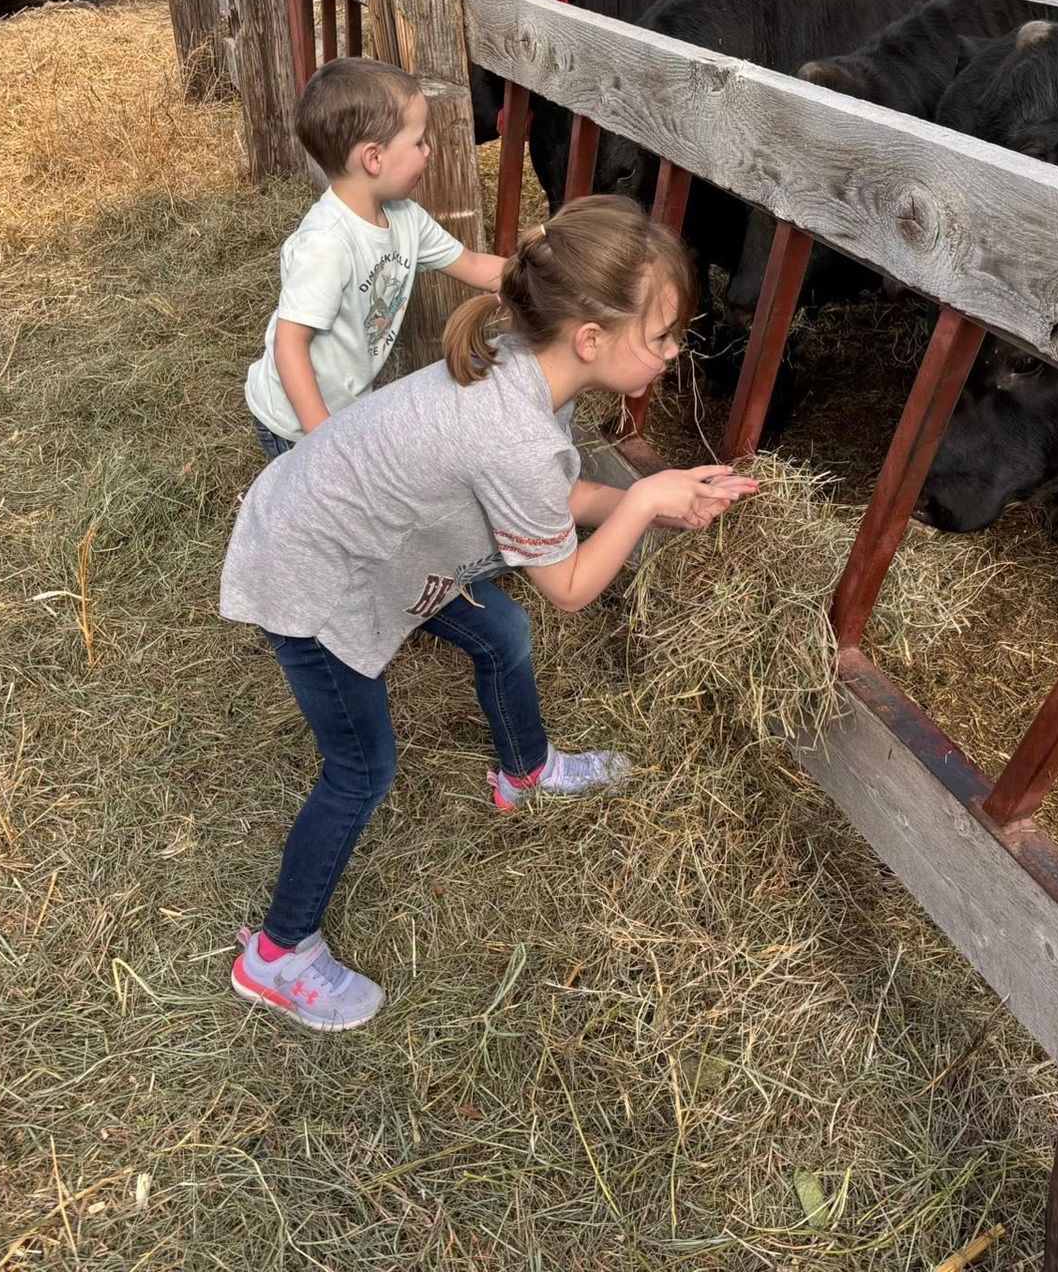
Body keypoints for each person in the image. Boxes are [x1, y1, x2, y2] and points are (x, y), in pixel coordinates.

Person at [219, 195, 760, 1032]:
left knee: (500, 630)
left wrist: (652, 497)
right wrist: (645, 498)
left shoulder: (528, 374)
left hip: (353, 537)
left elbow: (545, 499)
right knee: (361, 770)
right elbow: (571, 587)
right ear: (591, 340)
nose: (673, 351)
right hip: (310, 575)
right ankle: (277, 954)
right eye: (661, 336)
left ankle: (526, 771)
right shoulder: (514, 428)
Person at [243, 57, 507, 458]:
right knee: (321, 509)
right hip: (297, 422)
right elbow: (290, 343)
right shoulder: (327, 243)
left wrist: (540, 277)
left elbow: (472, 265)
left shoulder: (407, 219)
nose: (429, 151)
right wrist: (324, 441)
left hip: (344, 406)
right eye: (418, 141)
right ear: (373, 158)